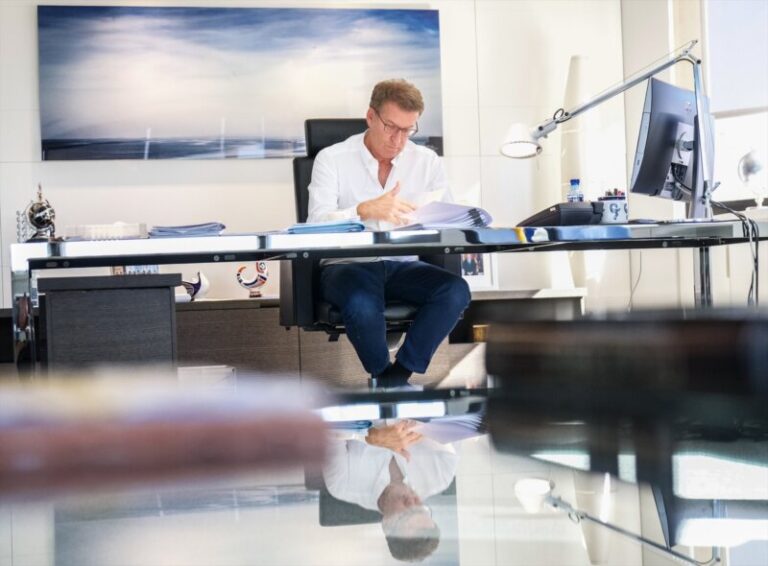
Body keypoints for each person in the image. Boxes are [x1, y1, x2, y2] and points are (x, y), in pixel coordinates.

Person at [307, 78, 471, 385]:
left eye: (408, 130)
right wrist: (363, 210)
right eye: (391, 127)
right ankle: (387, 381)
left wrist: (449, 219)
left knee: (455, 291)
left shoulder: (427, 162)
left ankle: (395, 378)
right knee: (363, 305)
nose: (398, 139)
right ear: (370, 117)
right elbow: (315, 223)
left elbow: (447, 218)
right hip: (348, 265)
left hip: (402, 264)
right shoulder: (332, 159)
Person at [323, 420, 458, 562]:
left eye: (406, 514)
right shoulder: (441, 476)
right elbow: (458, 425)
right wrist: (426, 428)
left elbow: (324, 429)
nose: (413, 501)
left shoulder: (342, 485)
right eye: (421, 510)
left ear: (387, 524)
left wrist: (368, 436)